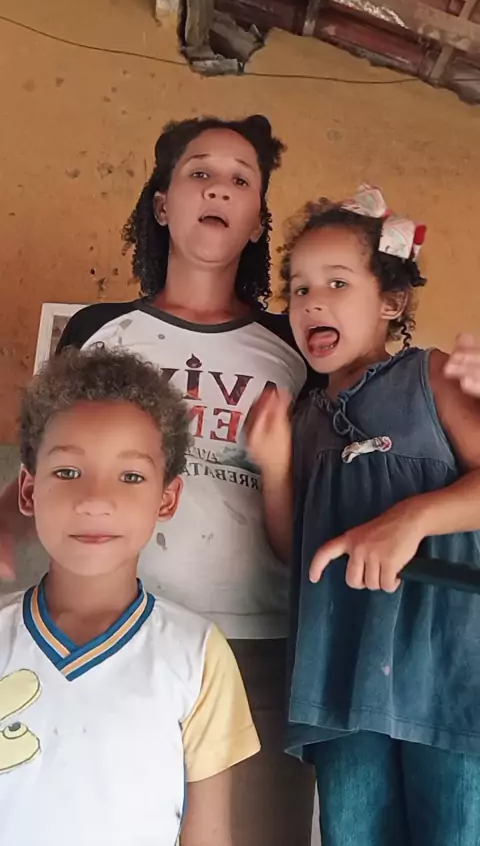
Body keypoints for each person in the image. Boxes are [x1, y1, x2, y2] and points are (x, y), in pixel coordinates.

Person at [0, 115, 316, 846]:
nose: (218, 188)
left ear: (257, 219)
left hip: (253, 644)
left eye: (240, 179)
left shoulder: (291, 346)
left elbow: (301, 517)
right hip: (103, 628)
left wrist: (276, 468)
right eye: (199, 172)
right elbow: (51, 457)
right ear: (163, 204)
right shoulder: (100, 330)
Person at [246, 186, 480, 846]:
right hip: (343, 681)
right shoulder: (304, 418)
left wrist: (412, 518)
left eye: (337, 283)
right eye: (298, 288)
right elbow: (296, 551)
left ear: (390, 301)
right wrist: (274, 468)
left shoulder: (430, 378)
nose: (311, 301)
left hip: (447, 677)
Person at [0, 345, 261, 846]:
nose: (96, 499)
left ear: (167, 498)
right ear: (28, 491)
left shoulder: (196, 656)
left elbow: (208, 836)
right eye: (68, 472)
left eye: (131, 476)